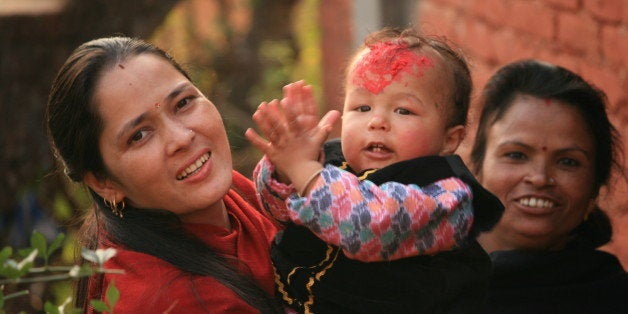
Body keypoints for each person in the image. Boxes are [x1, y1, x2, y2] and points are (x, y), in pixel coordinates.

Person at [245, 28, 503, 313]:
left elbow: (365, 227)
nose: (377, 121)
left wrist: (304, 170)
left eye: (403, 110)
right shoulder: (329, 162)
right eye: (362, 106)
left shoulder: (446, 197)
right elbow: (277, 211)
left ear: (449, 139)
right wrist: (285, 170)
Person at [46, 37, 283, 313]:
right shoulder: (173, 300)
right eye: (139, 135)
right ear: (103, 182)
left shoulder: (230, 194)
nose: (181, 138)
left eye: (183, 103)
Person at [469, 59, 628, 313]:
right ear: (476, 166)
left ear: (594, 188)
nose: (540, 178)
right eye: (516, 155)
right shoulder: (418, 277)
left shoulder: (610, 296)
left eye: (568, 162)